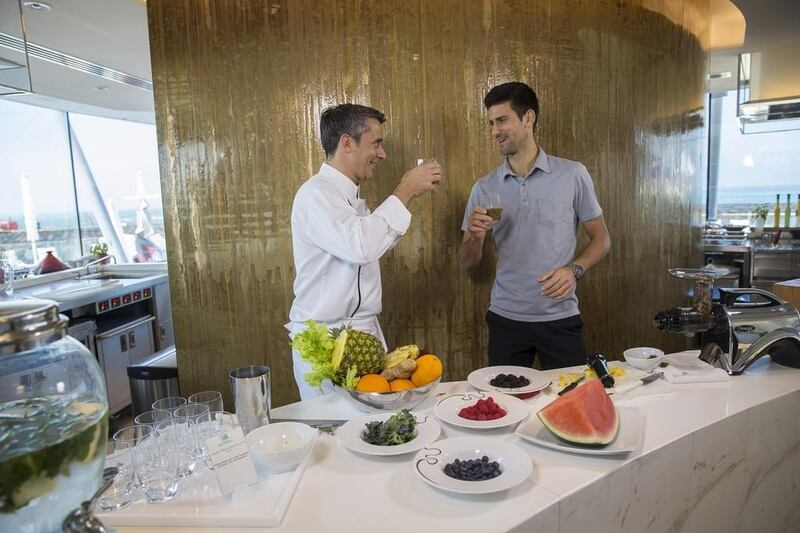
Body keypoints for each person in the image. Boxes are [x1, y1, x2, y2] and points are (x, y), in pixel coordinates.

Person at [287, 103, 442, 399]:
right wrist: (405, 189)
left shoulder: (348, 197)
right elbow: (361, 246)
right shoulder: (317, 195)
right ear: (347, 143)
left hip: (362, 336)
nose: (382, 154)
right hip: (328, 340)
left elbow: (370, 246)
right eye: (377, 143)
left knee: (370, 432)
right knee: (336, 435)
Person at [459, 82, 611, 370]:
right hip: (505, 320)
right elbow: (467, 264)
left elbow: (602, 239)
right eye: (491, 123)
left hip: (560, 318)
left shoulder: (572, 174)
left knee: (571, 402)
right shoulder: (484, 187)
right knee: (505, 408)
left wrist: (574, 270)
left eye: (502, 120)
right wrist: (475, 239)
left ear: (528, 118)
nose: (494, 131)